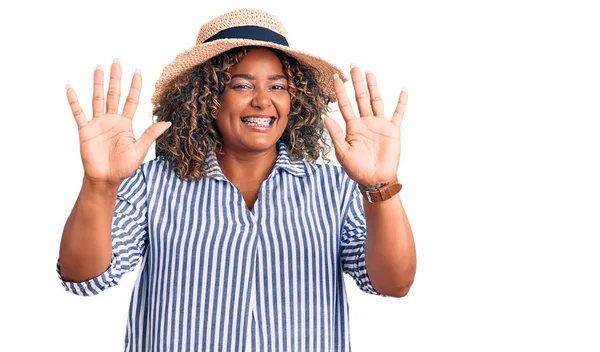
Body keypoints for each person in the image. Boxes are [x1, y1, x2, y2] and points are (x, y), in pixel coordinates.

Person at [56, 8, 416, 352]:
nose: (263, 101)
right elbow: (84, 277)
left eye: (278, 87)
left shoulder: (333, 189)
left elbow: (393, 283)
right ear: (205, 96)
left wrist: (381, 186)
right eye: (242, 86)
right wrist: (100, 186)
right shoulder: (154, 185)